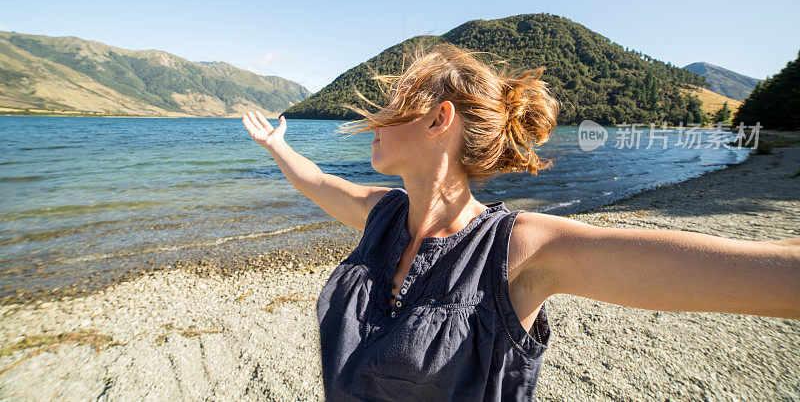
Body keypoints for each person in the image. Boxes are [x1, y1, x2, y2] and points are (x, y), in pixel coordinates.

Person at [242, 42, 800, 401]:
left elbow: (776, 275)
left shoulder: (519, 250)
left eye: (396, 103)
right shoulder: (380, 215)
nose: (377, 121)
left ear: (441, 119)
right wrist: (276, 146)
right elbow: (315, 181)